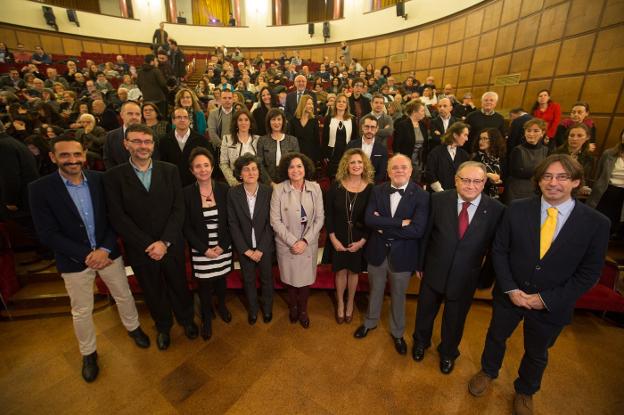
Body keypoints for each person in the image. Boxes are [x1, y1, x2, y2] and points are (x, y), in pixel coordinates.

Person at [468, 154, 610, 415]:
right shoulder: (517, 209)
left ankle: (525, 390)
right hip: (510, 295)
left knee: (537, 352)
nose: (553, 182)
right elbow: (499, 250)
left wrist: (545, 299)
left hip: (551, 304)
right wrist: (511, 288)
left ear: (576, 181)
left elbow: (589, 273)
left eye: (562, 177)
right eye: (547, 176)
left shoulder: (596, 224)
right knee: (496, 337)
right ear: (539, 181)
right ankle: (488, 371)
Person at [29, 135, 149, 383]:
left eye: (76, 154)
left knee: (123, 295)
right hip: (74, 261)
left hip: (108, 254)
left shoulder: (100, 180)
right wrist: (86, 255)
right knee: (82, 310)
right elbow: (46, 233)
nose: (72, 160)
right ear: (53, 157)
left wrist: (104, 249)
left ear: (84, 156)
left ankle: (134, 328)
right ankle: (88, 353)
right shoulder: (39, 189)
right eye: (65, 155)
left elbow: (115, 216)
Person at [103, 124, 198, 351]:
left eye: (147, 142)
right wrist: (149, 244)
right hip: (140, 248)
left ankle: (186, 320)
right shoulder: (113, 177)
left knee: (179, 284)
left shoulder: (170, 170)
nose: (143, 146)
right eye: (137, 141)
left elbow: (178, 209)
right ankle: (163, 326)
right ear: (126, 144)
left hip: (170, 244)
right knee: (152, 289)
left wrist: (164, 242)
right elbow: (118, 217)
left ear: (153, 145)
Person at [412, 161, 505, 374]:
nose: (470, 185)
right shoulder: (438, 199)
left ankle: (448, 352)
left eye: (477, 181)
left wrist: (486, 277)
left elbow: (495, 249)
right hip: (434, 269)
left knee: (455, 319)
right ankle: (420, 342)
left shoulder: (497, 210)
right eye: (465, 180)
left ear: (484, 183)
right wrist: (420, 263)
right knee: (425, 311)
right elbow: (426, 235)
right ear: (456, 180)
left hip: (466, 276)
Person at [353, 154, 429, 356]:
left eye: (403, 167)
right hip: (377, 251)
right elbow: (369, 219)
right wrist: (399, 223)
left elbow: (417, 230)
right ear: (388, 172)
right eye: (394, 167)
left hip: (403, 255)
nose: (399, 171)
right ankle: (370, 322)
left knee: (398, 296)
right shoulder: (378, 190)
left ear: (411, 170)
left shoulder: (421, 195)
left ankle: (397, 332)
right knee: (375, 290)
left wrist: (383, 226)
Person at [183, 148, 232, 340]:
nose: (202, 169)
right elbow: (186, 226)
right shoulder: (186, 193)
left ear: (212, 167)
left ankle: (222, 305)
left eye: (206, 165)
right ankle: (207, 319)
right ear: (191, 170)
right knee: (204, 287)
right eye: (198, 166)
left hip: (222, 247)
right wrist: (203, 249)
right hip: (201, 250)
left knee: (221, 282)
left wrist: (223, 245)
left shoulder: (224, 189)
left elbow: (231, 222)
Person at [270, 153, 324, 328]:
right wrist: (294, 242)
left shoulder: (315, 188)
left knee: (306, 279)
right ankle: (293, 307)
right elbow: (275, 220)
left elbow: (320, 218)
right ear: (286, 170)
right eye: (291, 166)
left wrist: (305, 241)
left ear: (305, 168)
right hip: (287, 243)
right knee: (290, 279)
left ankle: (303, 310)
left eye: (299, 166)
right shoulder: (279, 189)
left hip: (308, 243)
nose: (296, 170)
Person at [325, 149, 373, 324]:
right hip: (338, 236)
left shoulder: (371, 188)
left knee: (354, 272)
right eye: (352, 162)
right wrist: (332, 238)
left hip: (359, 238)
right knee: (340, 272)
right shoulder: (336, 186)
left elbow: (371, 218)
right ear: (346, 165)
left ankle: (350, 303)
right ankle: (340, 303)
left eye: (360, 162)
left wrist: (362, 241)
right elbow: (328, 214)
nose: (356, 165)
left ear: (364, 165)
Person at [227, 154, 275, 324]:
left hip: (265, 246)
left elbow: (272, 223)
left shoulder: (268, 192)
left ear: (259, 172)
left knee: (266, 279)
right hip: (244, 247)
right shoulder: (233, 193)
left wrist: (261, 248)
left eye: (254, 169)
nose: (251, 172)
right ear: (240, 174)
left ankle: (267, 309)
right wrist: (246, 250)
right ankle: (253, 310)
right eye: (246, 170)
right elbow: (232, 223)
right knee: (248, 279)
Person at [159, 107, 214, 186]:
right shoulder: (164, 141)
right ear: (173, 121)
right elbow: (162, 165)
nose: (182, 120)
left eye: (185, 117)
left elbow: (209, 162)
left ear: (189, 121)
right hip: (173, 184)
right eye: (179, 117)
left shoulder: (201, 140)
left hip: (196, 184)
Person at [587, 128, 624, 239]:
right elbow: (598, 174)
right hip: (606, 191)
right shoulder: (609, 153)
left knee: (614, 223)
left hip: (622, 195)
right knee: (597, 219)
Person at [504, 118, 550, 203]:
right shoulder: (517, 150)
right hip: (516, 190)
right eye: (528, 131)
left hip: (537, 189)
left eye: (536, 131)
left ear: (542, 133)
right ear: (524, 133)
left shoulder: (546, 150)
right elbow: (517, 172)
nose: (531, 134)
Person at [257, 108, 300, 184]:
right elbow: (260, 165)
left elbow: (296, 164)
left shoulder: (293, 140)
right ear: (269, 122)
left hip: (289, 181)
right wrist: (270, 183)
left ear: (283, 121)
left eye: (279, 119)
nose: (276, 122)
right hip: (268, 182)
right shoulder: (262, 140)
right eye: (273, 119)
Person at [426, 122, 471, 192]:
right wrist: (441, 192)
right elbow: (430, 174)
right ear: (455, 135)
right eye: (465, 135)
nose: (467, 139)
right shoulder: (435, 152)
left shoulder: (464, 155)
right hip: (437, 195)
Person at [393, 100, 432, 183]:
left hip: (420, 160)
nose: (424, 113)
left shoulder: (423, 125)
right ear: (414, 112)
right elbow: (396, 145)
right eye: (422, 111)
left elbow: (426, 144)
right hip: (406, 159)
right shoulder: (402, 125)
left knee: (416, 183)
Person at [220, 109, 260, 186]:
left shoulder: (258, 139)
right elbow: (223, 163)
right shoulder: (227, 139)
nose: (243, 123)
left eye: (246, 120)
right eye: (240, 120)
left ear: (250, 123)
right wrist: (234, 182)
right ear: (236, 123)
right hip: (236, 182)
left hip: (256, 182)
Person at [553, 123, 594, 195]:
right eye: (571, 135)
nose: (574, 138)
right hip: (555, 189)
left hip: (575, 193)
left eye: (579, 136)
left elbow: (586, 179)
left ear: (587, 137)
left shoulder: (589, 158)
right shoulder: (556, 153)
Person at [347, 114, 388, 183]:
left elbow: (381, 173)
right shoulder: (351, 145)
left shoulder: (382, 149)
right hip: (352, 182)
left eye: (372, 127)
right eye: (367, 127)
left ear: (377, 129)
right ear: (362, 127)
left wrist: (369, 184)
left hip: (372, 185)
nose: (369, 130)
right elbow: (345, 165)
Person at [323, 93, 355, 178]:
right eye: (339, 101)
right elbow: (325, 137)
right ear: (335, 104)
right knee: (332, 177)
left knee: (346, 176)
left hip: (346, 153)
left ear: (347, 105)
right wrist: (325, 154)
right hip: (332, 153)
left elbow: (355, 138)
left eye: (344, 102)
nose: (341, 103)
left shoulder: (352, 119)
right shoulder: (329, 118)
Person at [103, 101, 142, 169]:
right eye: (130, 114)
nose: (134, 117)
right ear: (121, 115)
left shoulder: (151, 135)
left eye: (137, 114)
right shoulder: (110, 136)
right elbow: (108, 160)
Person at [472, 128, 506, 199]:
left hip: (499, 195)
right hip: (480, 194)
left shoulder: (502, 158)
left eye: (485, 138)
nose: (481, 141)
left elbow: (506, 176)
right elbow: (473, 176)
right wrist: (488, 176)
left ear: (494, 140)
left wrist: (500, 180)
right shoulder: (476, 158)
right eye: (480, 138)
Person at [289, 94, 320, 165]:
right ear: (303, 104)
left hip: (311, 156)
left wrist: (317, 158)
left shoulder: (314, 121)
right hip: (297, 156)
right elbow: (291, 140)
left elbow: (317, 141)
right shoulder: (293, 121)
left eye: (312, 104)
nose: (311, 106)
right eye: (309, 104)